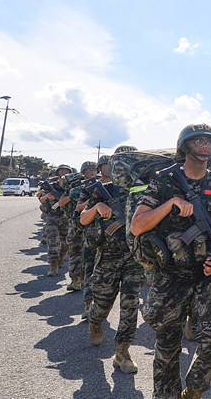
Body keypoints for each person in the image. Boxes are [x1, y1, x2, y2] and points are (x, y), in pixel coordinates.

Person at [132, 124, 211, 399]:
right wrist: (170, 203)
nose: (205, 145)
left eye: (209, 141)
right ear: (184, 147)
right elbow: (137, 226)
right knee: (167, 348)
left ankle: (195, 390)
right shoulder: (163, 181)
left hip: (206, 276)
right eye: (198, 140)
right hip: (170, 277)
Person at [80, 151, 145, 374]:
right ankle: (95, 321)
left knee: (130, 304)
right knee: (102, 305)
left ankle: (123, 351)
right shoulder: (104, 190)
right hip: (108, 256)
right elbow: (82, 219)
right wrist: (97, 207)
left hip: (134, 257)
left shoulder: (145, 190)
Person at [66, 160, 97, 292]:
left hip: (95, 225)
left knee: (92, 255)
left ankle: (88, 281)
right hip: (78, 224)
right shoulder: (77, 186)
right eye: (88, 170)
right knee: (75, 252)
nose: (91, 172)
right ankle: (75, 280)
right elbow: (72, 198)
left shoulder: (103, 184)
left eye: (93, 170)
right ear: (83, 172)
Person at [38, 164, 73, 276]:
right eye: (61, 171)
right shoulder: (52, 185)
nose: (63, 173)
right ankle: (53, 266)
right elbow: (41, 200)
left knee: (66, 242)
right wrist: (47, 196)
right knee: (52, 241)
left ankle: (61, 258)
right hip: (52, 217)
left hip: (66, 217)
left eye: (66, 171)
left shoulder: (72, 187)